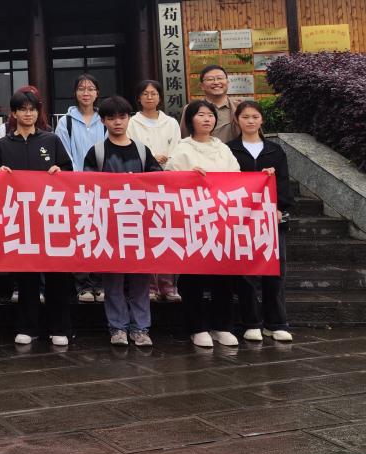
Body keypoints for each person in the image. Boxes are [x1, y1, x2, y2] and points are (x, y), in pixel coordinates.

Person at [0, 89, 74, 346]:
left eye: (33, 109)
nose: (28, 114)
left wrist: (59, 171)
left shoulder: (52, 140)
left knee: (57, 275)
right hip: (19, 220)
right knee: (26, 277)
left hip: (49, 217)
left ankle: (59, 327)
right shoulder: (2, 145)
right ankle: (27, 326)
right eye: (23, 109)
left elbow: (69, 172)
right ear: (14, 113)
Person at [83, 96, 161, 347]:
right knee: (113, 280)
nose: (117, 122)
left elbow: (159, 181)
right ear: (103, 121)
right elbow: (88, 186)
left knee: (140, 279)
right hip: (110, 225)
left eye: (122, 117)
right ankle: (117, 327)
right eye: (111, 118)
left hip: (139, 224)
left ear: (129, 118)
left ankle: (140, 328)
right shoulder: (97, 152)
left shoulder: (142, 150)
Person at [166, 100, 242, 348]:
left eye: (211, 115)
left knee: (224, 277)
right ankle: (196, 327)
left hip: (222, 221)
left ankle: (222, 326)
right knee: (193, 278)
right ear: (190, 120)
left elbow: (237, 179)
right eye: (201, 115)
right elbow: (170, 181)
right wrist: (188, 177)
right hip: (192, 222)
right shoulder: (182, 149)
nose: (207, 119)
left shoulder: (223, 149)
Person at [228, 100, 294, 343]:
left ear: (262, 120)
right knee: (246, 272)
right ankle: (252, 322)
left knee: (275, 271)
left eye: (255, 116)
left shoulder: (275, 150)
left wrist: (279, 207)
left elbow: (284, 182)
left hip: (272, 220)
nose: (250, 121)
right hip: (242, 219)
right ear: (237, 120)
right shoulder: (230, 149)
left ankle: (276, 323)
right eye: (245, 117)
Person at [126, 80, 182, 303]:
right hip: (142, 183)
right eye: (145, 94)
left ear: (160, 97)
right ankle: (149, 284)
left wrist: (167, 161)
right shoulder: (132, 122)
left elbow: (178, 149)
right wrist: (151, 159)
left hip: (168, 182)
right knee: (145, 234)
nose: (150, 97)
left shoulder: (171, 123)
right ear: (138, 98)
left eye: (154, 93)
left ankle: (168, 284)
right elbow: (130, 147)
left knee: (167, 232)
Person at [55, 74, 106, 304]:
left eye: (91, 88)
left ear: (97, 93)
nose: (86, 93)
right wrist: (78, 177)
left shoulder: (104, 119)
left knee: (100, 234)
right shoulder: (65, 121)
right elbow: (63, 153)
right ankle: (83, 284)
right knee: (79, 235)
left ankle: (99, 282)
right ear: (75, 93)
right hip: (74, 186)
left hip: (101, 186)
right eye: (82, 88)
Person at [180, 65, 240, 143]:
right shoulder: (191, 109)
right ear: (201, 86)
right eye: (210, 79)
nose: (216, 82)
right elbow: (184, 137)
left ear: (227, 82)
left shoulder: (239, 108)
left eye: (220, 78)